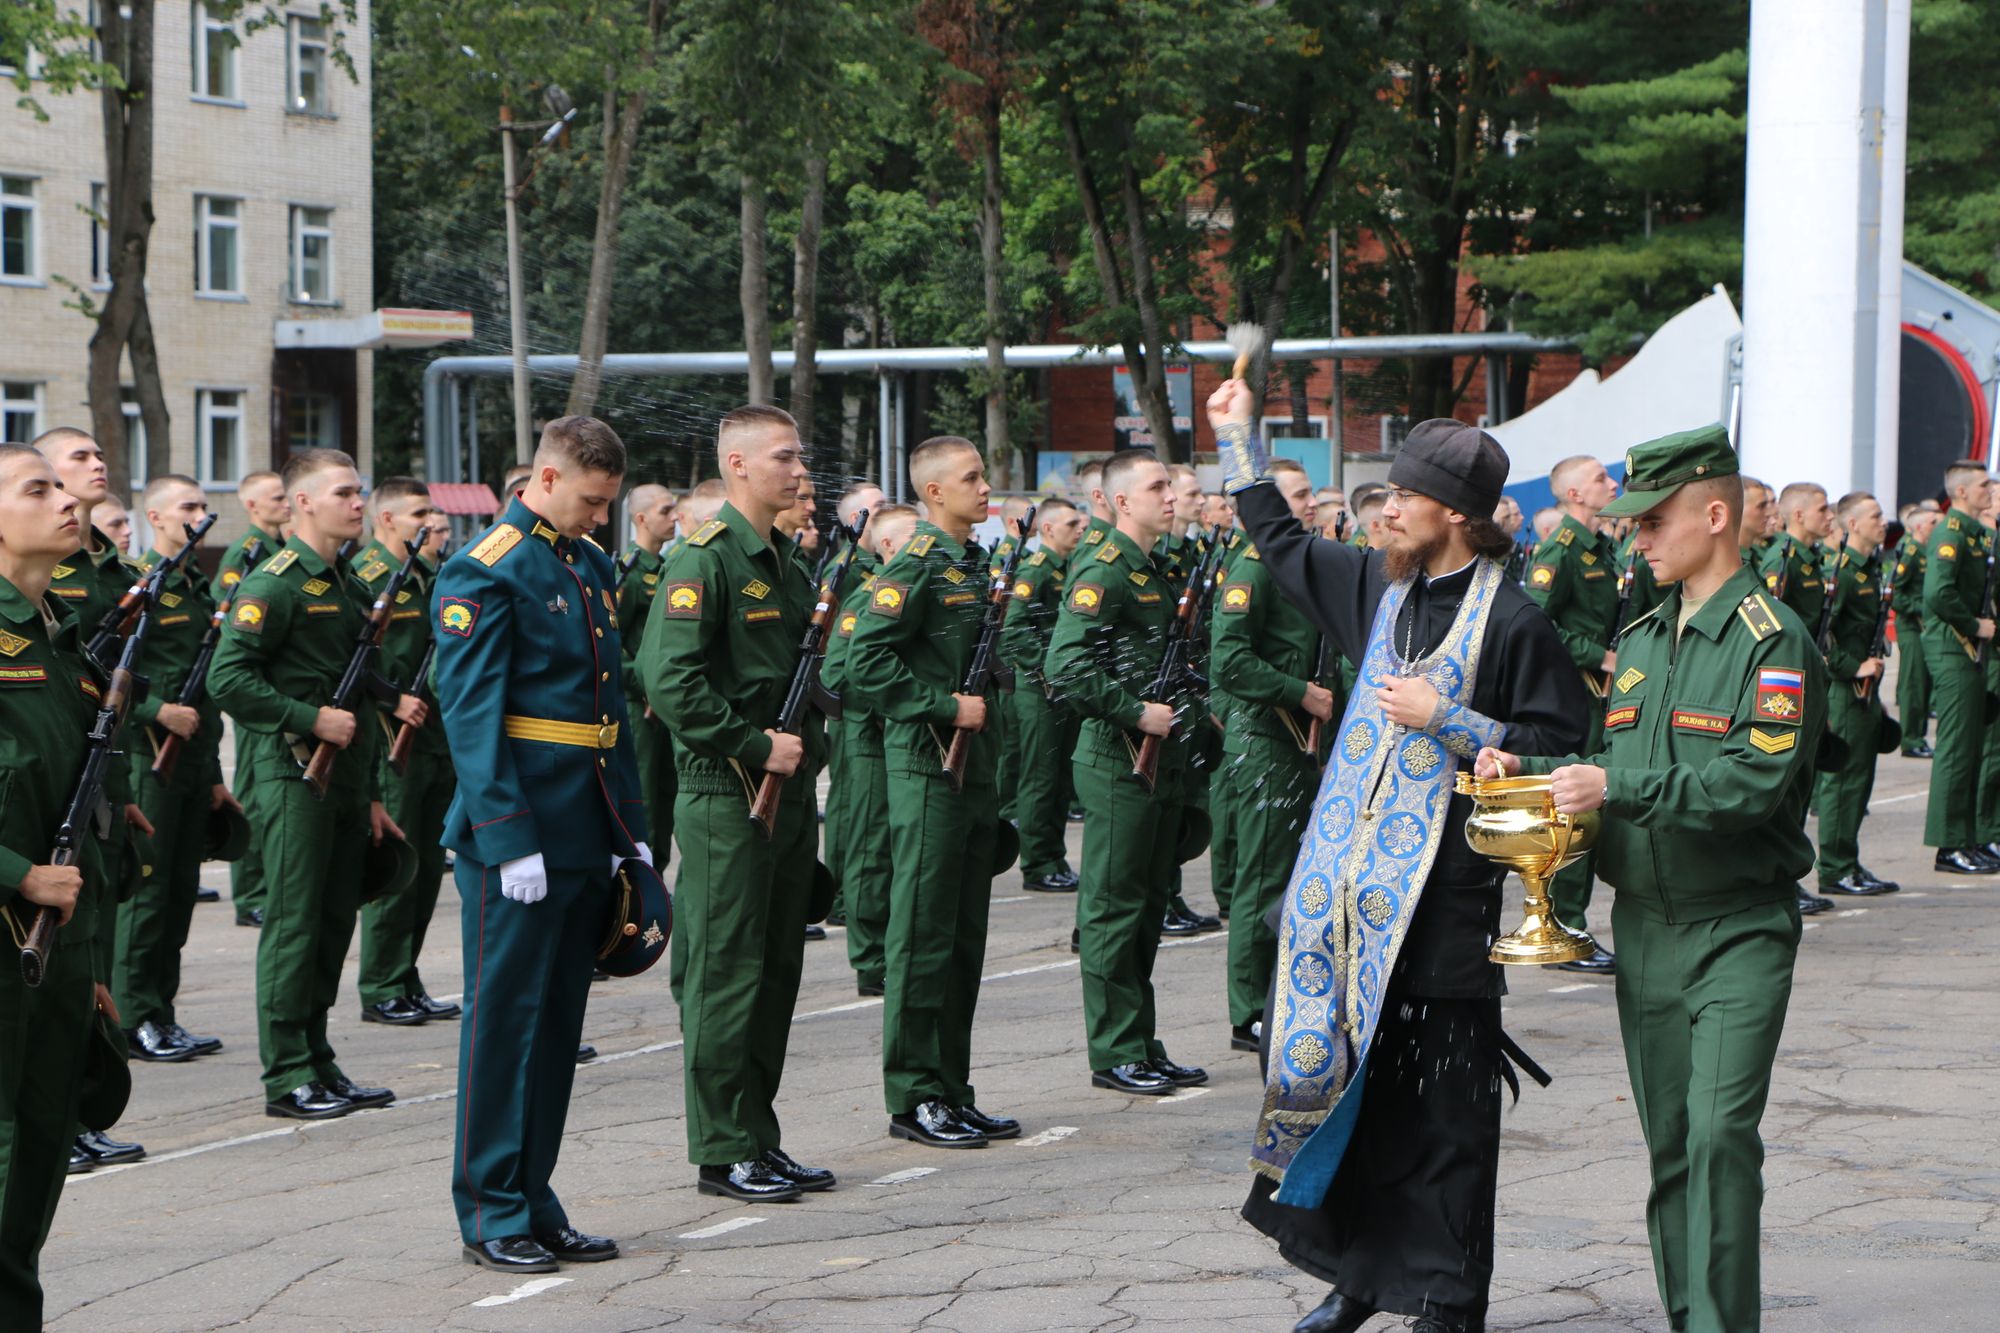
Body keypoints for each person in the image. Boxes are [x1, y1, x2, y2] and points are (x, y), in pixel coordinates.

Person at [1209, 387, 1588, 1333]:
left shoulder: (1515, 623)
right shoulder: (1381, 585)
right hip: (1339, 906)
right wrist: (1233, 436)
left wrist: (1455, 723)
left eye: (1401, 501)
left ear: (1453, 516)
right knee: (1358, 1098)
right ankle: (1362, 1281)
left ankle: (1447, 1301)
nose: (1382, 512)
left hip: (1446, 912)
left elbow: (1562, 744)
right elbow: (1282, 544)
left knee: (1447, 1121)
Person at [1479, 424, 1826, 1333]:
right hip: (1647, 931)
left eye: (1653, 522)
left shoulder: (1771, 640)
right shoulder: (1640, 639)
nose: (1636, 538)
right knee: (1672, 1147)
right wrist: (1522, 782)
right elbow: (1601, 773)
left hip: (1738, 926)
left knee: (1717, 1138)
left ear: (1716, 516)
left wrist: (1613, 782)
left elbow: (1750, 783)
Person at [431, 417, 648, 1273]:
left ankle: (535, 1193)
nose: (600, 518)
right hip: (517, 837)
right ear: (546, 480)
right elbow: (473, 716)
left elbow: (609, 713)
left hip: (585, 825)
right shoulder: (484, 568)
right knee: (504, 1024)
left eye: (608, 504)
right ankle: (490, 1207)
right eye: (592, 502)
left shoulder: (585, 563)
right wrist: (506, 837)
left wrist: (630, 833)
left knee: (555, 1027)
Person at [642, 405, 833, 1204]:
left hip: (786, 794)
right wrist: (756, 746)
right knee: (726, 973)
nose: (799, 471)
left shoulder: (786, 559)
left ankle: (759, 1132)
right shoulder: (703, 560)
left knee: (776, 970)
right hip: (729, 792)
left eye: (799, 455)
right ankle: (722, 1149)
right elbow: (671, 682)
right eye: (784, 457)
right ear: (739, 466)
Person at [208, 450, 425, 1121]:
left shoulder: (350, 582)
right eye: (344, 493)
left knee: (334, 921)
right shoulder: (272, 583)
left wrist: (373, 799)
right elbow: (227, 679)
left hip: (346, 781)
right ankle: (287, 1072)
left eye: (360, 492)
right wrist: (308, 717)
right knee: (297, 925)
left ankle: (318, 1054)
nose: (357, 503)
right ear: (303, 502)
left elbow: (357, 691)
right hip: (292, 775)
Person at [845, 437, 1019, 1149]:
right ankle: (914, 1095)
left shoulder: (971, 562)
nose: (986, 487)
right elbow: (861, 662)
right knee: (921, 938)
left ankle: (953, 1087)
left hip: (972, 773)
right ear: (935, 492)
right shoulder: (914, 563)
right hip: (926, 772)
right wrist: (944, 708)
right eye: (972, 478)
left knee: (962, 941)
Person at [1043, 450, 1208, 1098]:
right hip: (1117, 759)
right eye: (1156, 487)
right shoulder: (1104, 567)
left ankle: (1142, 1042)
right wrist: (1134, 710)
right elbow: (1066, 664)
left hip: (1155, 763)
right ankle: (1116, 1049)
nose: (1170, 497)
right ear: (1117, 502)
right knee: (1114, 910)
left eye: (1170, 485)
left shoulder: (1152, 565)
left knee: (1145, 909)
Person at [34, 428, 155, 1171]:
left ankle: (75, 1113)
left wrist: (121, 794)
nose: (93, 469)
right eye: (66, 466)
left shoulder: (79, 605)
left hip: (88, 828)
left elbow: (87, 730)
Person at [1210, 459, 1334, 1053]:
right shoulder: (1252, 569)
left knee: (1291, 878)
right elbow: (1227, 661)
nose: (1311, 504)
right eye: (1301, 494)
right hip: (1265, 739)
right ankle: (1248, 1009)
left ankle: (1278, 996)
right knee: (1261, 881)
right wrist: (1298, 692)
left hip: (1301, 741)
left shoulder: (1298, 563)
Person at [117, 475, 237, 1062]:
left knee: (180, 894)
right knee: (147, 892)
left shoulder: (195, 585)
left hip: (191, 760)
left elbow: (206, 694)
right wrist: (153, 710)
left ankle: (162, 1012)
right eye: (187, 506)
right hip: (147, 758)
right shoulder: (139, 581)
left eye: (203, 505)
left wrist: (214, 774)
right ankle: (133, 1014)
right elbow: (100, 670)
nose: (199, 514)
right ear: (156, 516)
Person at [350, 478, 459, 1027]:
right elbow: (353, 660)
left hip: (434, 738)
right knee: (400, 866)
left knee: (426, 870)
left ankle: (408, 976)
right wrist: (393, 701)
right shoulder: (366, 577)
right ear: (387, 519)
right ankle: (383, 984)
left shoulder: (429, 576)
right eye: (419, 512)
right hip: (393, 743)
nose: (430, 521)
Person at [1523, 453, 1623, 973]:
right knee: (1575, 807)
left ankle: (1572, 921)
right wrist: (1594, 654)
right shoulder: (1558, 549)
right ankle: (1564, 924)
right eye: (1601, 479)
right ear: (1575, 495)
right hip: (1577, 694)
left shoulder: (1604, 546)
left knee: (1593, 807)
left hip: (1605, 694)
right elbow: (1535, 620)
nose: (1612, 483)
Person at [823, 502, 919, 995]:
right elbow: (836, 675)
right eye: (911, 539)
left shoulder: (912, 596)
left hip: (903, 736)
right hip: (868, 737)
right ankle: (870, 959)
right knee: (870, 851)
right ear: (886, 548)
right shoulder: (865, 600)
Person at [212, 469, 292, 929]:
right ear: (253, 507)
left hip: (275, 688)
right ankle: (250, 895)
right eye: (276, 497)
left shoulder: (279, 551)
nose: (285, 504)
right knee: (254, 798)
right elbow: (228, 619)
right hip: (255, 688)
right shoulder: (244, 553)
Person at [1813, 493, 1899, 897]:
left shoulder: (1870, 568)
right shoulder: (1843, 571)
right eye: (1875, 516)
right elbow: (1820, 634)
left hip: (1866, 691)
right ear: (1852, 525)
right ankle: (1834, 868)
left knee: (1860, 781)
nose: (1883, 522)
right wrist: (1851, 667)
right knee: (1844, 783)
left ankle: (1848, 860)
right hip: (1845, 691)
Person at [999, 497, 1087, 893]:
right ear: (1048, 529)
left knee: (1060, 779)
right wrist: (1046, 668)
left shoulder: (1070, 569)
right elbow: (1013, 630)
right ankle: (1037, 863)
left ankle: (1055, 856)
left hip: (1062, 687)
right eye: (1072, 524)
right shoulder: (1034, 572)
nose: (1080, 530)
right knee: (1040, 778)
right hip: (1038, 689)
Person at [1921, 462, 1998, 874]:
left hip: (1969, 650)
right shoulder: (1951, 533)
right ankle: (1949, 845)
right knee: (1955, 750)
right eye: (1984, 484)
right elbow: (1938, 593)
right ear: (1964, 492)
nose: (1991, 489)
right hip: (1955, 648)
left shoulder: (1973, 533)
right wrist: (1973, 624)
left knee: (1969, 749)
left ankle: (1967, 839)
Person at [820, 482, 888, 935]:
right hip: (851, 705)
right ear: (855, 524)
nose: (886, 511)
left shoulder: (884, 567)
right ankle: (843, 894)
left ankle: (852, 892)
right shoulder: (847, 571)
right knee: (850, 806)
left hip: (869, 706)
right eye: (876, 507)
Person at [617, 483, 681, 863]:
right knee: (643, 796)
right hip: (638, 705)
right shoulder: (628, 572)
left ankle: (656, 871)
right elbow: (611, 642)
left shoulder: (667, 567)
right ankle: (640, 880)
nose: (675, 517)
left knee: (665, 792)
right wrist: (646, 685)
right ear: (641, 518)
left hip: (662, 702)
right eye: (665, 510)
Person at [1893, 502, 1939, 758]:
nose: (1937, 526)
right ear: (1919, 527)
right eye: (1933, 522)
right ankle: (1910, 739)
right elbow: (1895, 593)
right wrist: (1921, 607)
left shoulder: (1927, 549)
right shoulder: (1909, 551)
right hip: (1912, 627)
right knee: (1914, 683)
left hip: (1925, 626)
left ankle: (1918, 737)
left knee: (1924, 683)